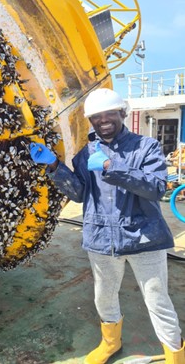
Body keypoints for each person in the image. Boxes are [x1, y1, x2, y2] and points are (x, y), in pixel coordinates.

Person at [30, 88, 184, 364]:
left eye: (109, 113)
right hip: (101, 239)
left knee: (157, 300)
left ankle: (175, 354)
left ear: (122, 113)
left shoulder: (145, 146)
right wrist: (54, 165)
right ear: (90, 120)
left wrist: (113, 167)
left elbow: (156, 187)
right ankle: (110, 342)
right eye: (96, 116)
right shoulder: (85, 153)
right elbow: (79, 193)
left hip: (144, 238)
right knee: (104, 296)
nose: (103, 120)